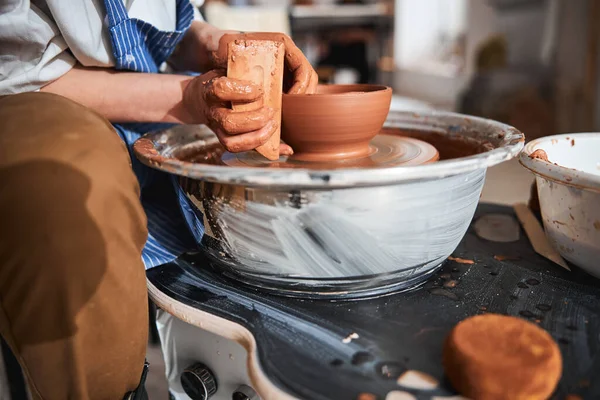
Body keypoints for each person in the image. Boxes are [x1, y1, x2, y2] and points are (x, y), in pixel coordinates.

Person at [0, 0, 318, 398]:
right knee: (67, 196)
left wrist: (220, 44)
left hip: (155, 88)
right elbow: (18, 72)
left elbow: (163, 22)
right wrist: (187, 98)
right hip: (30, 98)